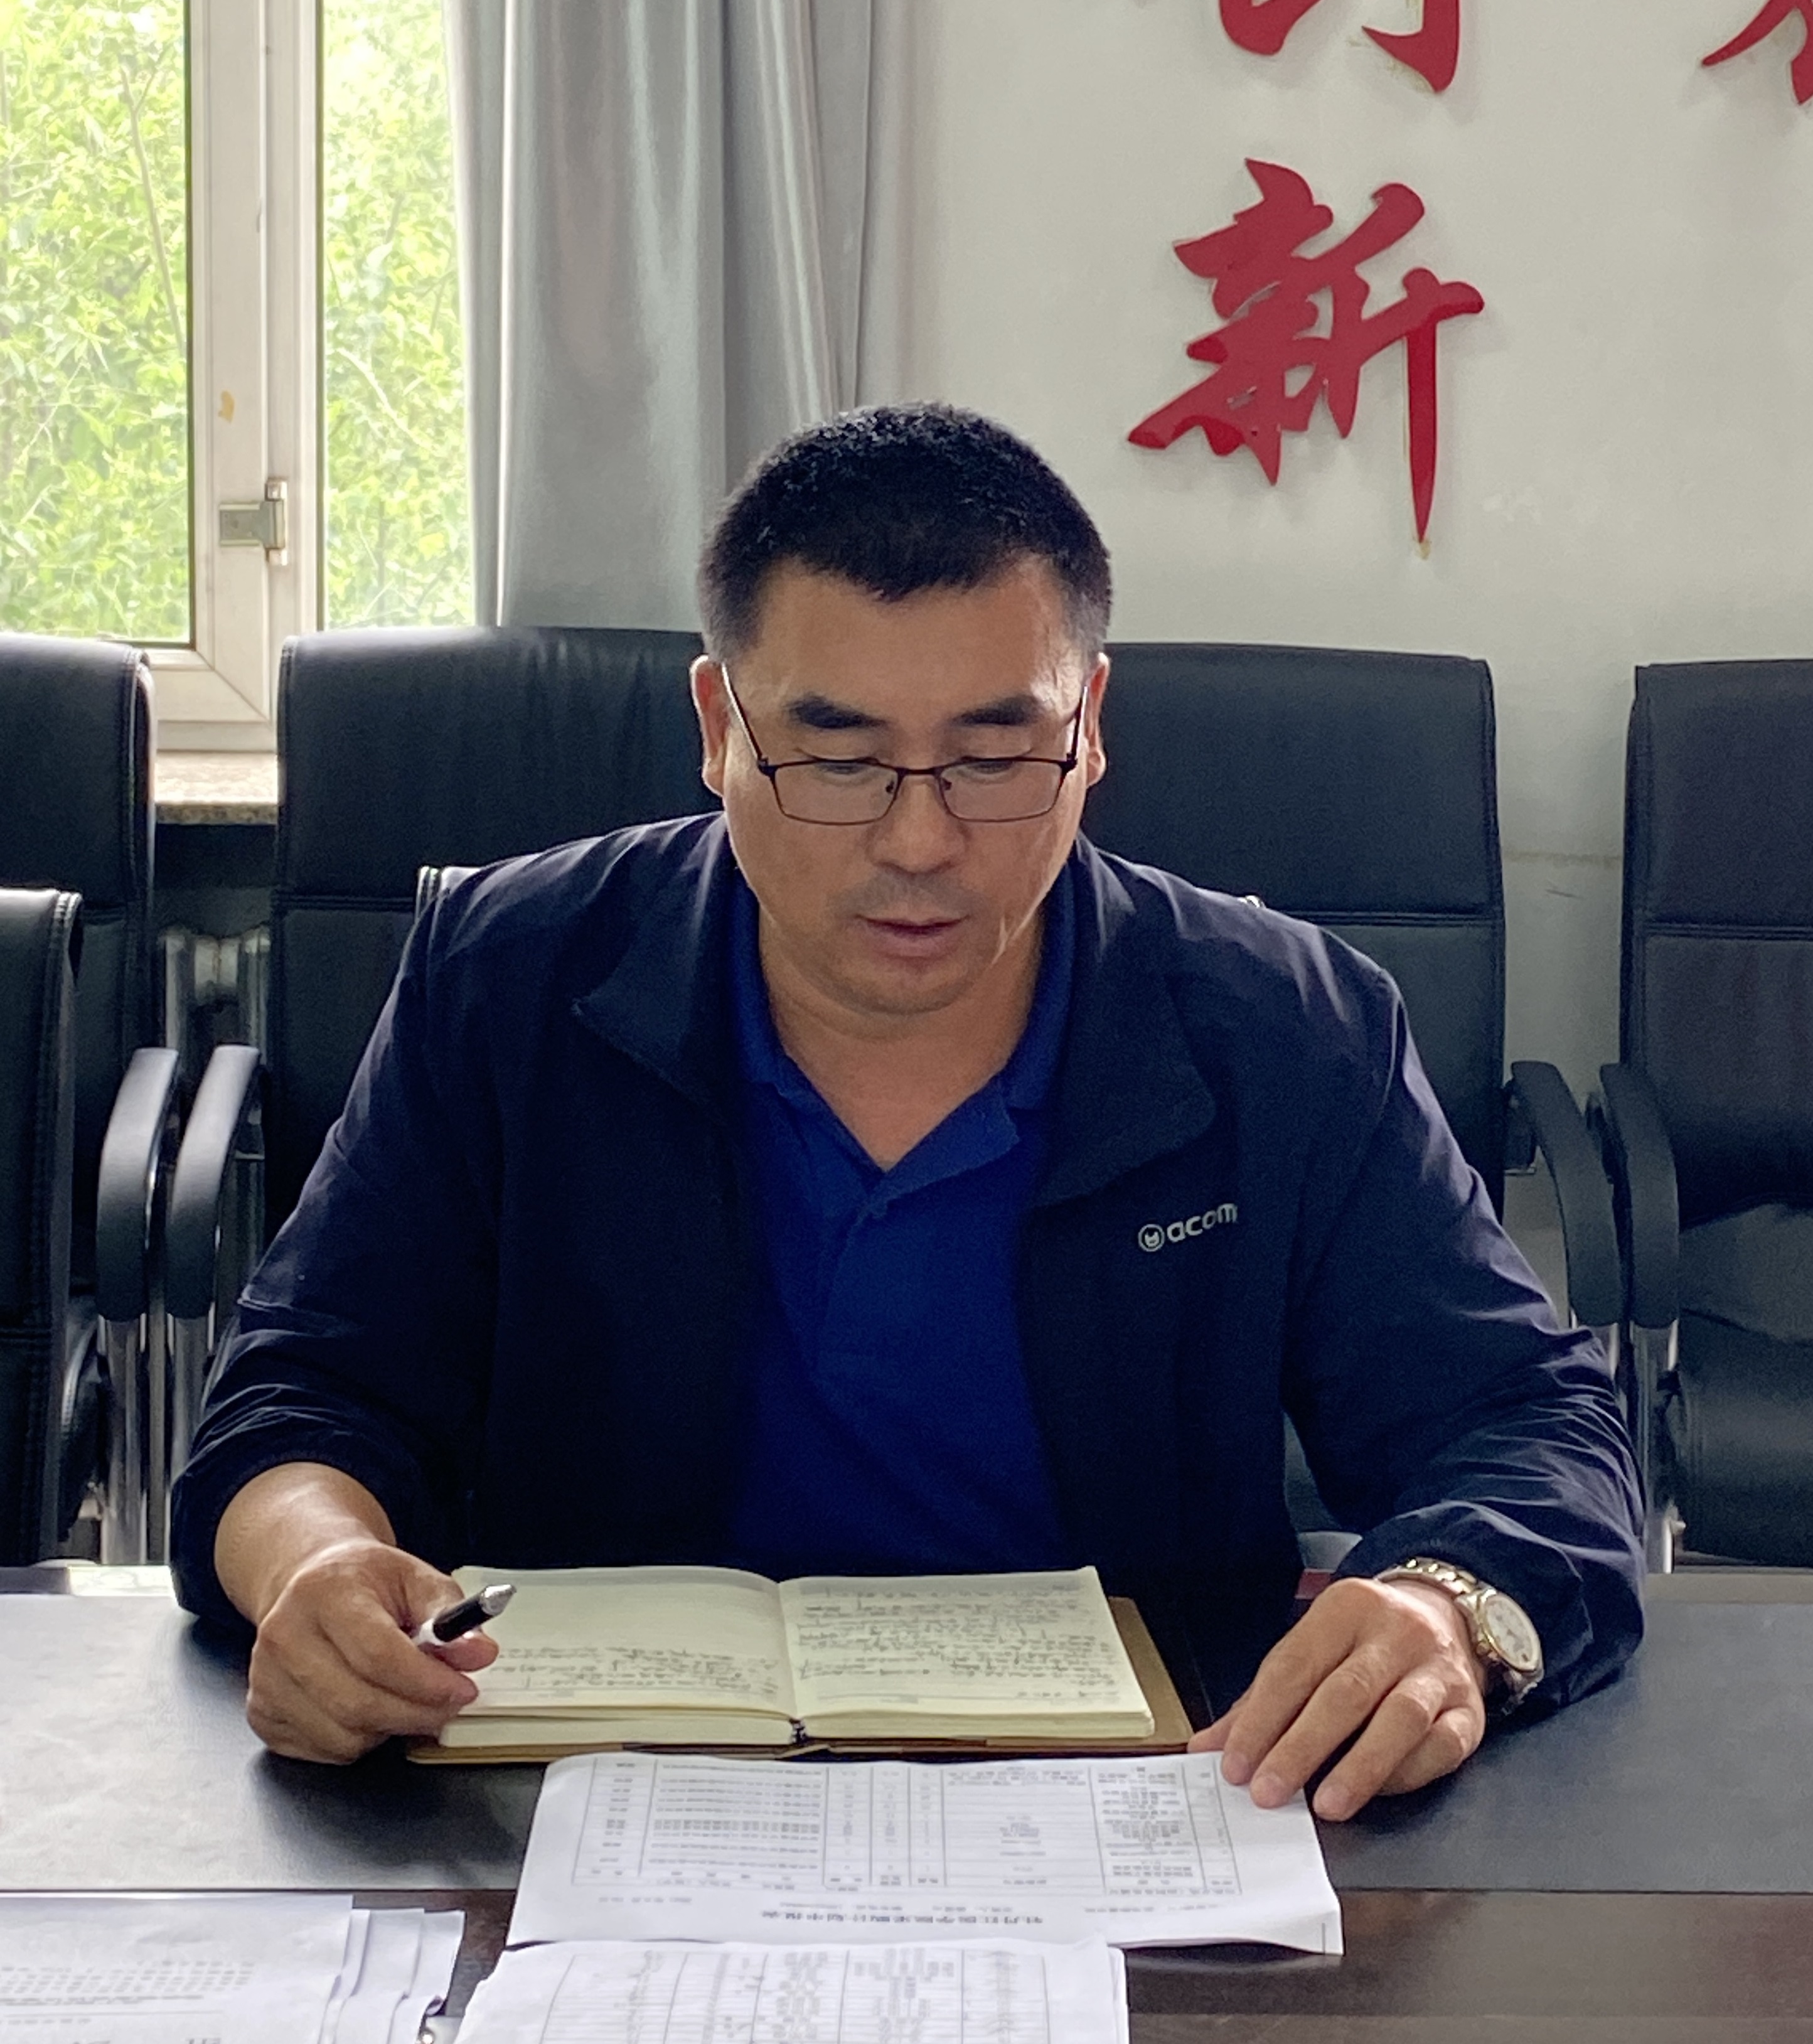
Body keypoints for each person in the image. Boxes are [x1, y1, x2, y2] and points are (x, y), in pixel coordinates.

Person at [171, 404, 1644, 1809]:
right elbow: (308, 1389)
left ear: (1090, 725)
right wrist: (312, 1565)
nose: (919, 840)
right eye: (837, 759)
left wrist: (1447, 1608)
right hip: (591, 1786)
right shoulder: (507, 977)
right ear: (717, 724)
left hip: (1149, 1796)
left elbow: (1526, 1419)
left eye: (995, 758)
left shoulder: (1276, 1026)